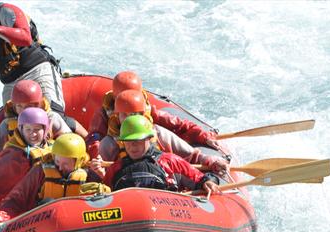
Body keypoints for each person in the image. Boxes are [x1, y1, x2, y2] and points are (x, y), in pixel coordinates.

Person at [0, 80, 86, 178]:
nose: (25, 111)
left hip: (47, 169)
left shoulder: (52, 118)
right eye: (20, 106)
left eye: (30, 105)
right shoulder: (7, 125)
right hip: (17, 172)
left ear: (39, 104)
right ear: (14, 106)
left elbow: (70, 144)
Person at [86, 70, 221, 159]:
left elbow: (176, 124)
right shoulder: (105, 120)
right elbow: (94, 138)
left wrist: (203, 136)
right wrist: (96, 157)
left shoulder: (150, 119)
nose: (129, 99)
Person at [97, 89, 228, 175]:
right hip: (124, 190)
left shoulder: (158, 133)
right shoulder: (108, 144)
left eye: (134, 114)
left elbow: (192, 156)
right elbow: (99, 177)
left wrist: (211, 160)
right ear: (117, 115)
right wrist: (99, 173)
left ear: (143, 114)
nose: (130, 119)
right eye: (124, 115)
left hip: (160, 187)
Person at [90, 115, 221, 195]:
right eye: (128, 142)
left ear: (148, 139)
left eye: (138, 141)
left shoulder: (169, 160)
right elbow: (107, 192)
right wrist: (100, 174)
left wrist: (207, 182)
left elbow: (198, 177)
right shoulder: (116, 168)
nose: (133, 146)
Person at [0, 133, 90, 225]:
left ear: (79, 162)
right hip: (42, 221)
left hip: (76, 221)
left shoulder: (88, 173)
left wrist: (100, 176)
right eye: (58, 162)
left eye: (66, 164)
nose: (60, 167)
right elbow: (17, 198)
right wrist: (1, 214)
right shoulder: (41, 170)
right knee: (49, 203)